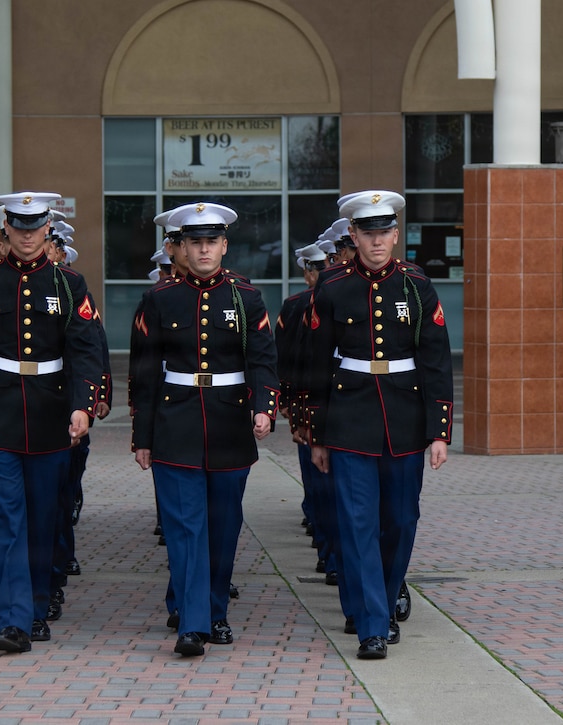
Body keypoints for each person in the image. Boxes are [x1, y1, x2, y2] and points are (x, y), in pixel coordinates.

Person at [304, 190, 453, 659]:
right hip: (349, 419)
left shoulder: (416, 285)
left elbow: (435, 360)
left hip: (405, 420)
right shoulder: (332, 288)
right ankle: (371, 624)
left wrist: (439, 430)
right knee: (357, 523)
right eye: (367, 234)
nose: (376, 242)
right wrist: (317, 434)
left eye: (384, 233)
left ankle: (383, 603)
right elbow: (315, 368)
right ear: (353, 235)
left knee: (401, 521)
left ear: (395, 235)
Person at [0, 191, 104, 653]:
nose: (26, 234)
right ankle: (13, 620)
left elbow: (83, 352)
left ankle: (36, 608)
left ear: (47, 229)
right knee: (6, 520)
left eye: (34, 225)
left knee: (42, 520)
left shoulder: (69, 284)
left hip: (50, 414)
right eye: (17, 226)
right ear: (5, 231)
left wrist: (82, 405)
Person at [130, 201, 278, 657]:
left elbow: (263, 359)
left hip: (230, 422)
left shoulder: (246, 297)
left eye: (211, 241)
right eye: (195, 242)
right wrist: (143, 437)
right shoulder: (159, 300)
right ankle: (193, 624)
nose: (204, 250)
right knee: (184, 529)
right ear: (181, 247)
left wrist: (264, 407)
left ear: (224, 245)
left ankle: (215, 611)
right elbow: (145, 373)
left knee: (223, 526)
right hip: (176, 423)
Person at [43, 223, 112, 623]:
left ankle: (57, 568)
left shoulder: (72, 291)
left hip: (72, 407)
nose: (52, 253)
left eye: (56, 247)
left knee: (62, 496)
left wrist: (98, 397)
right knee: (49, 502)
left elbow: (95, 348)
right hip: (39, 407)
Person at [277, 243, 340, 585]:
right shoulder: (298, 306)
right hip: (313, 403)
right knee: (320, 485)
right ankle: (330, 552)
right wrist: (291, 403)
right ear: (307, 271)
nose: (322, 271)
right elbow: (291, 358)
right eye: (317, 267)